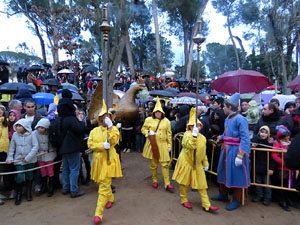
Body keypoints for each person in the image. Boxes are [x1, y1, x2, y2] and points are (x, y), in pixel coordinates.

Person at [172, 107, 219, 212]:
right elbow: (189, 146)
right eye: (193, 126)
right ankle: (184, 199)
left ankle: (206, 204)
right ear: (189, 126)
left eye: (197, 125)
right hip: (186, 162)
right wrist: (193, 135)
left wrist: (205, 162)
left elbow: (203, 152)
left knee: (202, 185)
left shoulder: (202, 137)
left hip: (197, 164)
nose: (196, 127)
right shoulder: (186, 135)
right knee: (184, 183)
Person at [211, 93, 251, 211]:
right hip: (226, 149)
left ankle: (237, 199)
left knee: (237, 175)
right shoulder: (228, 118)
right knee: (222, 171)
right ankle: (223, 195)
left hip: (236, 151)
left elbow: (245, 138)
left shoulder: (241, 119)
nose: (223, 108)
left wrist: (240, 155)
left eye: (224, 106)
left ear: (229, 107)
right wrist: (221, 137)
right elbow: (227, 133)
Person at [88, 100, 122, 224]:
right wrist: (102, 145)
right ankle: (111, 198)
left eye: (106, 117)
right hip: (98, 161)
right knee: (103, 184)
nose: (104, 119)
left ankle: (98, 214)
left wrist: (110, 127)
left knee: (103, 187)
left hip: (109, 161)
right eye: (102, 117)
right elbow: (90, 144)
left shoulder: (114, 130)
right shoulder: (94, 131)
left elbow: (113, 140)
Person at [141, 97, 174, 191]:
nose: (158, 113)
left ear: (162, 112)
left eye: (159, 112)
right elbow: (143, 129)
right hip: (153, 144)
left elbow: (169, 134)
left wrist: (169, 145)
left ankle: (167, 183)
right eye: (156, 112)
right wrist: (148, 132)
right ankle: (154, 180)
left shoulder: (166, 121)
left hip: (163, 144)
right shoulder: (148, 120)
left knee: (165, 164)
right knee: (154, 164)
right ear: (154, 112)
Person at [57, 89, 85, 198]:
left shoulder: (60, 117)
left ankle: (65, 188)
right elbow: (80, 129)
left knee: (65, 168)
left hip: (63, 146)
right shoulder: (71, 118)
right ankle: (74, 190)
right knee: (74, 168)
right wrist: (80, 121)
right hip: (73, 146)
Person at [6, 119, 39, 205]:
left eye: (20, 126)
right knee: (20, 176)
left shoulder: (32, 135)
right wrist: (9, 158)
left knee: (29, 175)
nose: (17, 127)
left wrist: (28, 157)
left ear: (25, 126)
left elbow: (35, 146)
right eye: (17, 125)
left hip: (30, 159)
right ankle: (19, 194)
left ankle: (28, 193)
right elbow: (12, 148)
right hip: (19, 159)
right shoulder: (15, 135)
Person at [251, 126, 275, 205]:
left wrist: (271, 168)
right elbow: (251, 153)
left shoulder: (270, 144)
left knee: (267, 182)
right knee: (257, 181)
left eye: (265, 132)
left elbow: (272, 158)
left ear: (268, 134)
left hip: (266, 166)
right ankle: (259, 195)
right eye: (262, 132)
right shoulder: (255, 141)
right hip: (257, 165)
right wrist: (253, 145)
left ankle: (267, 197)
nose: (263, 134)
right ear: (259, 132)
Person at [33, 118, 56, 197]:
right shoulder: (35, 133)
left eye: (42, 127)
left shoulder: (51, 133)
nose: (40, 129)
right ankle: (44, 186)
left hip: (49, 154)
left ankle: (51, 186)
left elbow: (53, 144)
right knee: (43, 171)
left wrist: (50, 150)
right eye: (39, 127)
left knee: (50, 171)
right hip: (40, 155)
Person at [271, 125, 292, 211]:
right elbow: (274, 155)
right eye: (285, 139)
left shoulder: (291, 143)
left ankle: (287, 199)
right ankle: (282, 200)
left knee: (288, 184)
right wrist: (284, 163)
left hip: (290, 169)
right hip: (282, 168)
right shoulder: (277, 143)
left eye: (288, 138)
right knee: (282, 185)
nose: (287, 140)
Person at [0, 104, 9, 205]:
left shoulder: (6, 122)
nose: (0, 111)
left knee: (1, 172)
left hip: (4, 151)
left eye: (2, 110)